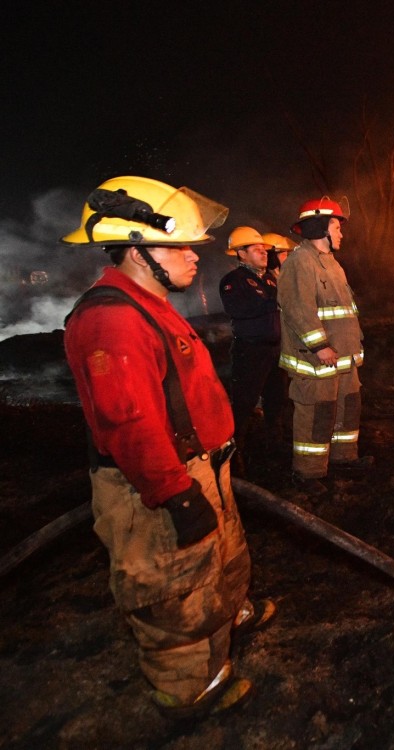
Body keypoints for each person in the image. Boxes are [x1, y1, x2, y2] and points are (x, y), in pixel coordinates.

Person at [61, 176, 274, 718]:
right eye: (177, 245)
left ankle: (225, 623)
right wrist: (176, 494)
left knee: (218, 564)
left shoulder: (149, 302)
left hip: (198, 467)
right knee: (173, 593)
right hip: (156, 485)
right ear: (136, 251)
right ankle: (187, 693)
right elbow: (129, 423)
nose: (193, 257)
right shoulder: (110, 319)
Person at [276, 196, 371, 495]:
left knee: (347, 406)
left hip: (344, 358)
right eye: (336, 226)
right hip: (318, 360)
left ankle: (344, 458)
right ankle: (307, 472)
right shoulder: (299, 262)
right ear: (320, 227)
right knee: (317, 412)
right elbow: (297, 308)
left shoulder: (333, 265)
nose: (342, 233)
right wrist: (319, 346)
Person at [220, 226, 286, 472]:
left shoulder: (269, 278)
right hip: (250, 352)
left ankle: (274, 445)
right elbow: (239, 310)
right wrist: (273, 301)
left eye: (264, 249)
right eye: (257, 249)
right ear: (241, 253)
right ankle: (236, 455)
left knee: (276, 400)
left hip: (274, 350)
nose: (263, 253)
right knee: (244, 404)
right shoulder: (233, 281)